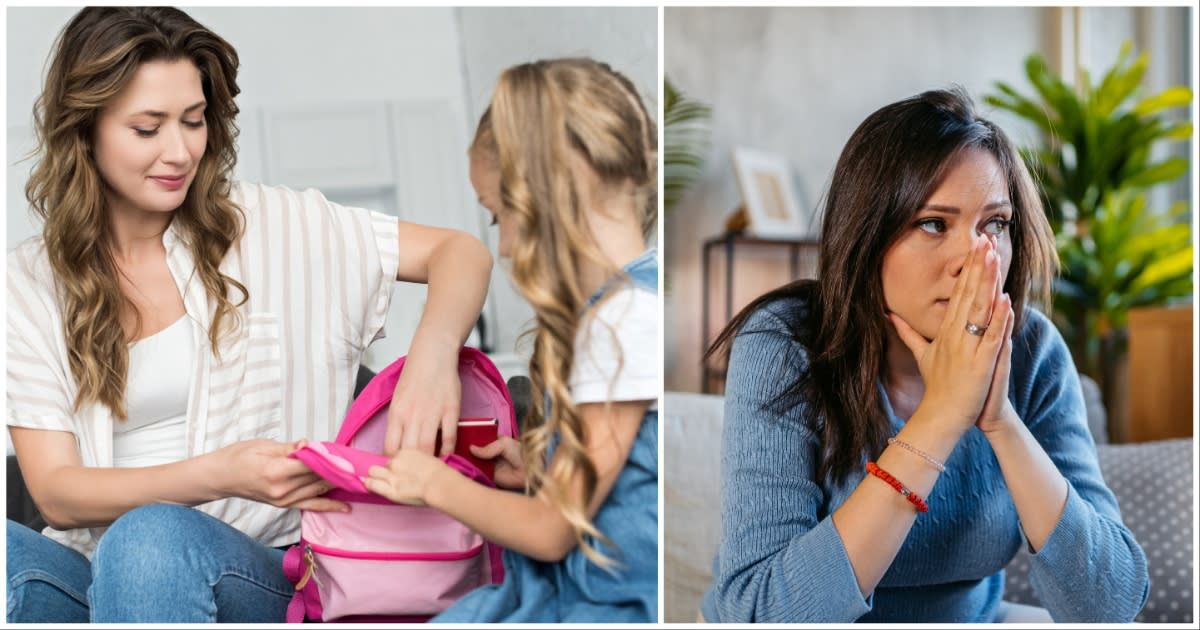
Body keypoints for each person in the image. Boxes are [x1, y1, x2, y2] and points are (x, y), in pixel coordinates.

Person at [6, 7, 492, 623]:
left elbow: (461, 251)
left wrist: (432, 357)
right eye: (147, 128)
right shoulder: (28, 280)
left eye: (193, 120)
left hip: (260, 565)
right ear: (86, 131)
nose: (179, 152)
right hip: (92, 564)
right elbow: (56, 493)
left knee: (149, 541)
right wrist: (220, 472)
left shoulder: (271, 226)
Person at [698, 88, 1149, 623]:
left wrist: (999, 419)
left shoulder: (1030, 350)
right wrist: (940, 418)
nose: (974, 258)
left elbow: (1113, 605)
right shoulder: (784, 343)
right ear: (865, 239)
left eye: (995, 224)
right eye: (934, 224)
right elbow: (761, 613)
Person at [363, 58, 659, 622]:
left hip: (603, 606)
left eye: (500, 216)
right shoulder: (630, 306)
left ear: (547, 191)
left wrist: (433, 486)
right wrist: (540, 465)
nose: (500, 248)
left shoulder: (621, 325)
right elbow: (615, 478)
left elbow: (553, 531)